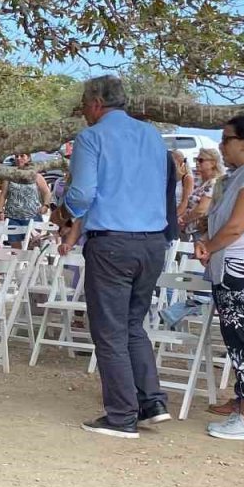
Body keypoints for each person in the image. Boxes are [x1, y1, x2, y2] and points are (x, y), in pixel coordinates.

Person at [66, 75, 170, 438]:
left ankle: (122, 415)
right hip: (153, 241)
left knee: (109, 331)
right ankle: (151, 401)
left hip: (112, 242)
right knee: (132, 324)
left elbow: (82, 193)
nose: (83, 111)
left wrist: (67, 211)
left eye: (84, 104)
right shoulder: (152, 135)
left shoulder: (92, 137)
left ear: (96, 103)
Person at [195, 116, 244, 437]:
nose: (221, 145)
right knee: (237, 338)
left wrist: (209, 246)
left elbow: (237, 225)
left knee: (243, 340)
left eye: (227, 139)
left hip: (240, 269)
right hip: (229, 268)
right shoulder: (237, 175)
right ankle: (243, 403)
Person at [0, 153, 51, 247]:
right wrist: (0, 211)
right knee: (15, 249)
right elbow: (3, 194)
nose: (19, 158)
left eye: (22, 156)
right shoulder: (10, 176)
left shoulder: (36, 176)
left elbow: (46, 192)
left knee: (32, 247)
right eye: (16, 156)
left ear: (28, 158)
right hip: (13, 216)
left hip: (32, 216)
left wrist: (46, 205)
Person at [181, 147, 220, 241]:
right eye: (196, 160)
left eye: (201, 160)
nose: (197, 163)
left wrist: (183, 220)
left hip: (200, 231)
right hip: (190, 229)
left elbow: (201, 209)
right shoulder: (201, 182)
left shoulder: (213, 183)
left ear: (213, 163)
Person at [172, 150, 194, 214]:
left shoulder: (187, 178)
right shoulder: (171, 179)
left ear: (180, 163)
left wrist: (174, 216)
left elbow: (185, 202)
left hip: (178, 214)